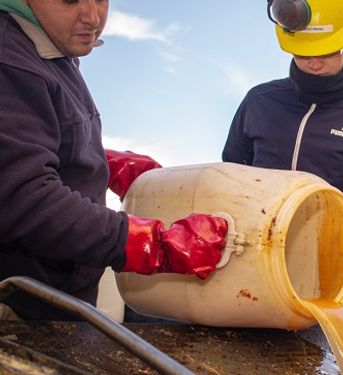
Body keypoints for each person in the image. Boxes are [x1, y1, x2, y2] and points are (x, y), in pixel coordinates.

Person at [0, 0, 228, 321]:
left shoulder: (51, 50)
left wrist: (100, 162)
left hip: (57, 296)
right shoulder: (10, 60)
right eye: (69, 0)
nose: (93, 17)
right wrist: (146, 243)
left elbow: (22, 145)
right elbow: (23, 199)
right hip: (21, 310)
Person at [222, 0, 343, 277]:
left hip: (322, 273)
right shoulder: (259, 102)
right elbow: (230, 178)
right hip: (250, 265)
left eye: (326, 51)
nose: (314, 62)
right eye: (303, 52)